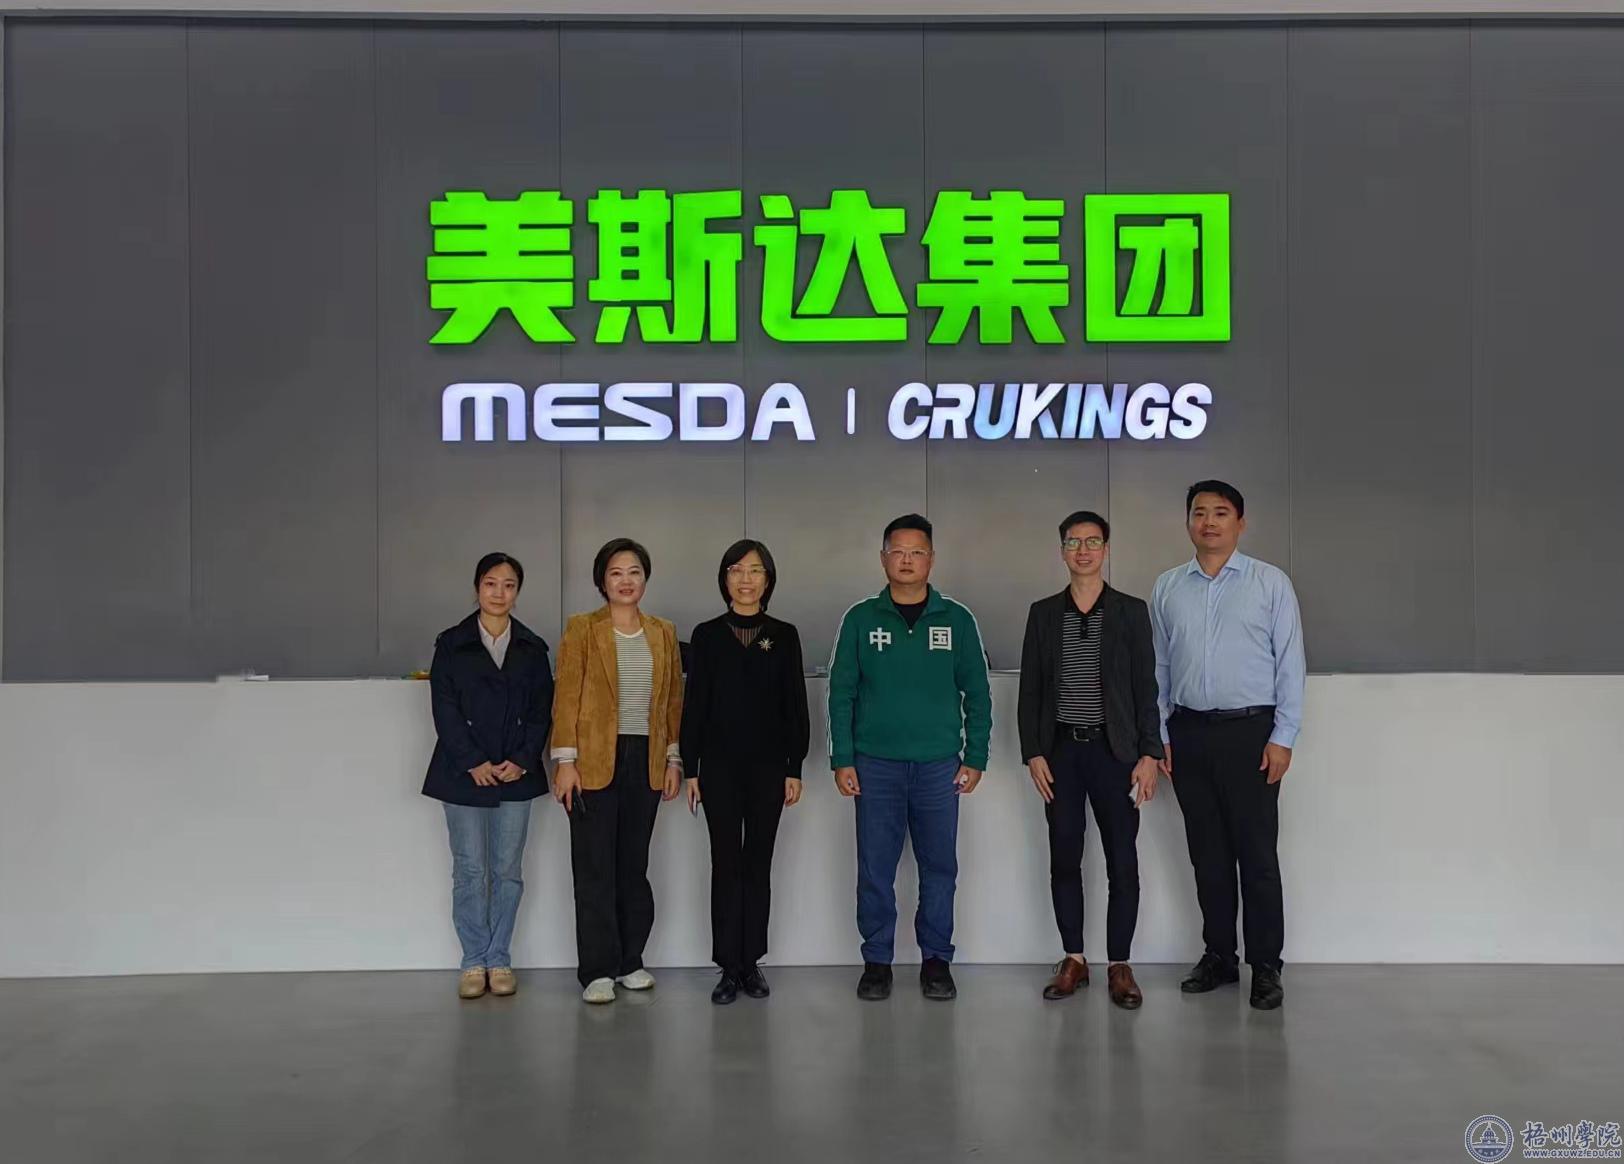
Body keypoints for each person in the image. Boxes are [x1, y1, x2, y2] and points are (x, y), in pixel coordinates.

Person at [1150, 481, 1305, 1011]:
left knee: (1256, 854)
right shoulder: (1168, 587)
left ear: (1241, 522)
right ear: (1188, 522)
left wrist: (1283, 737)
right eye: (1199, 513)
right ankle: (1219, 955)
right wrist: (1161, 734)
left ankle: (1265, 965)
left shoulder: (1269, 583)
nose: (1209, 522)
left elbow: (1290, 663)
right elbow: (1159, 666)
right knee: (1207, 855)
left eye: (1221, 513)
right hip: (1188, 734)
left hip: (1251, 735)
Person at [828, 513, 992, 1003]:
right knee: (875, 869)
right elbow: (841, 693)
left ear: (931, 560)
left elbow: (977, 693)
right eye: (897, 551)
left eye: (916, 552)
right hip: (874, 765)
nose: (906, 560)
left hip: (939, 767)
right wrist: (842, 757)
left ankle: (936, 960)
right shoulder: (861, 619)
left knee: (939, 867)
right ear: (883, 558)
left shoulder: (956, 620)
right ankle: (876, 961)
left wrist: (975, 755)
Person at [1018, 511, 1163, 1009]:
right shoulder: (1043, 613)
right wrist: (1033, 751)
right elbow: (1031, 690)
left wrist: (1150, 753)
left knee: (1123, 859)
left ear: (1106, 549)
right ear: (1061, 550)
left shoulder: (1130, 611)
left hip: (1115, 752)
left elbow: (1146, 688)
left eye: (1093, 541)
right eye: (1073, 542)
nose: (1083, 550)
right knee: (1065, 855)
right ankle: (1074, 958)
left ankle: (1120, 964)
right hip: (1061, 753)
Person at [550, 538, 684, 1005]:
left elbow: (672, 701)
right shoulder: (583, 629)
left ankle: (630, 961)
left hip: (645, 760)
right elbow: (566, 696)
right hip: (591, 762)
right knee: (594, 869)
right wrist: (565, 762)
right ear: (602, 581)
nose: (626, 581)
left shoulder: (663, 631)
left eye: (634, 572)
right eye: (616, 573)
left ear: (645, 579)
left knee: (633, 866)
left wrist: (673, 759)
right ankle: (597, 970)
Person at [680, 540, 811, 1005]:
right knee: (724, 864)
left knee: (758, 863)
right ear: (724, 578)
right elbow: (694, 706)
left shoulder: (784, 635)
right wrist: (691, 768)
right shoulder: (706, 635)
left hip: (769, 770)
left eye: (755, 570)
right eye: (736, 570)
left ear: (768, 579)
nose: (746, 579)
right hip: (717, 769)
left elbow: (795, 704)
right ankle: (727, 966)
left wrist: (794, 766)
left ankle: (751, 961)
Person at [421, 553, 554, 1000]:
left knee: (507, 871)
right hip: (463, 774)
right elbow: (444, 708)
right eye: (491, 583)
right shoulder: (451, 644)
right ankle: (473, 961)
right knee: (470, 870)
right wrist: (472, 761)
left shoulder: (532, 648)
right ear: (477, 587)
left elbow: (542, 712)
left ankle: (499, 959)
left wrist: (522, 759)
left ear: (518, 591)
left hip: (516, 773)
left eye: (509, 584)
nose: (500, 593)